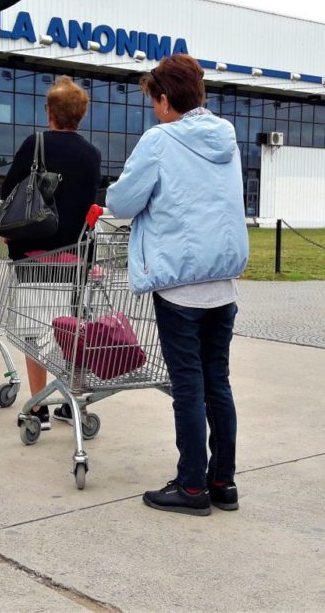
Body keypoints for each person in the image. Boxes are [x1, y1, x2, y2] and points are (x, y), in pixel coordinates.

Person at [106, 54, 249, 517]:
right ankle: (222, 481)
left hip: (180, 285)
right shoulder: (226, 139)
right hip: (222, 284)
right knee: (217, 383)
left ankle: (191, 487)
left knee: (188, 386)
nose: (153, 110)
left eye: (154, 101)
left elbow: (123, 202)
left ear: (166, 99)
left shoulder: (160, 141)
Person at [1, 76, 101, 431]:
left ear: (51, 112)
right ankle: (71, 398)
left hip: (32, 253)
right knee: (69, 329)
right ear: (80, 114)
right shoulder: (92, 154)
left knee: (33, 330)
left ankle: (39, 406)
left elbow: (8, 189)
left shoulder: (35, 144)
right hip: (74, 257)